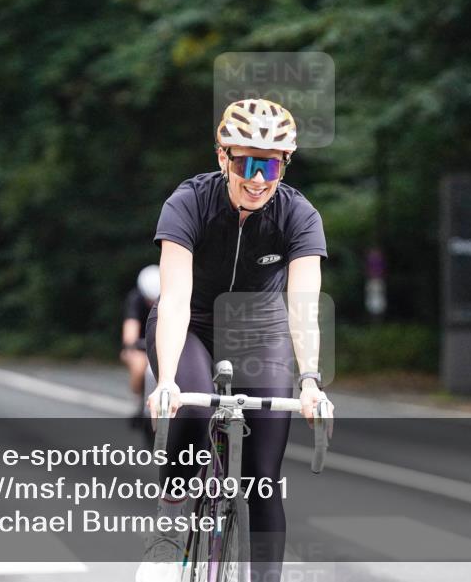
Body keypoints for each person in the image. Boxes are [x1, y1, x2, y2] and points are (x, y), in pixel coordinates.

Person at [137, 99, 332, 582]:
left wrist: (310, 381)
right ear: (223, 157)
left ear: (285, 164)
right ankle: (170, 522)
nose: (259, 177)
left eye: (271, 164)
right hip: (192, 326)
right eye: (247, 162)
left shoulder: (299, 215)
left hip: (258, 331)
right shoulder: (189, 202)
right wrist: (165, 383)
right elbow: (176, 296)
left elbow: (304, 306)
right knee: (195, 409)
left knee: (263, 481)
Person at [122, 265, 159, 443]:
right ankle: (139, 399)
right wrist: (131, 344)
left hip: (164, 344)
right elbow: (131, 325)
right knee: (138, 366)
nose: (152, 303)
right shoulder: (135, 298)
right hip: (142, 345)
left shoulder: (173, 297)